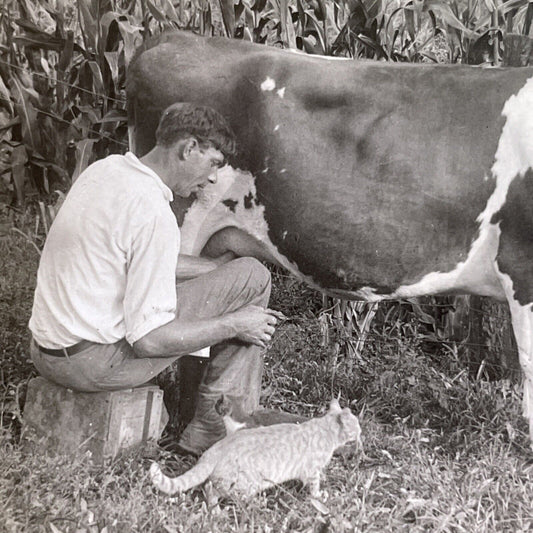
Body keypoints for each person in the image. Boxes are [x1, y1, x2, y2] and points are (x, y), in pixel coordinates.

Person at [29, 103, 286, 455]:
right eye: (212, 163)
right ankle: (215, 429)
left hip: (46, 352)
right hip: (91, 365)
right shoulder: (153, 212)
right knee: (254, 279)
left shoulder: (106, 170)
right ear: (188, 149)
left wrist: (212, 271)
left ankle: (217, 419)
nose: (212, 178)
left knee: (243, 275)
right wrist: (235, 323)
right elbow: (149, 341)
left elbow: (131, 254)